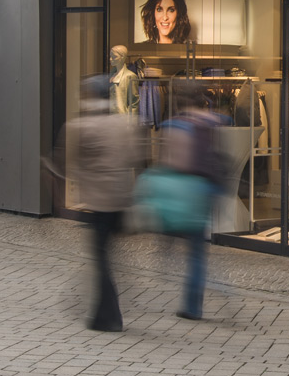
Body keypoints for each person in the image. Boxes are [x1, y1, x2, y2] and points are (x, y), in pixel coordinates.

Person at [59, 76, 144, 331]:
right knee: (105, 255)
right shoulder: (123, 124)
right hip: (121, 200)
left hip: (100, 202)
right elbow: (135, 158)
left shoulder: (80, 126)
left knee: (101, 257)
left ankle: (108, 317)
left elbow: (71, 164)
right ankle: (103, 313)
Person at [163, 92, 226, 320]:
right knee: (197, 250)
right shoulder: (213, 122)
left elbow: (175, 162)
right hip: (208, 189)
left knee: (188, 246)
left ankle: (193, 305)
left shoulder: (176, 125)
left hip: (187, 189)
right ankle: (194, 305)